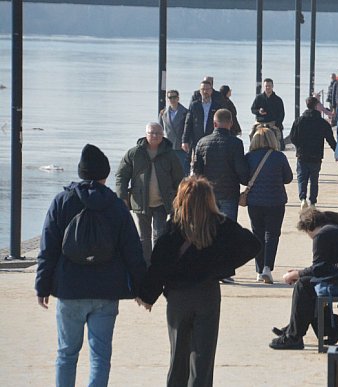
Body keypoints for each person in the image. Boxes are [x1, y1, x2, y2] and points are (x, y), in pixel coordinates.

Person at [35, 144, 147, 387]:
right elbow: (132, 251)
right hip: (106, 292)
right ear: (105, 174)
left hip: (69, 290)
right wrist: (141, 288)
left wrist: (42, 286)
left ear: (81, 172)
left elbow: (48, 248)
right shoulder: (117, 206)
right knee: (100, 356)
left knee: (66, 354)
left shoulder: (61, 202)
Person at [136, 176, 261, 386]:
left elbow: (159, 265)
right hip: (207, 294)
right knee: (203, 360)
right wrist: (220, 268)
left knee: (178, 358)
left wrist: (148, 295)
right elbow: (253, 245)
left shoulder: (173, 228)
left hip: (178, 298)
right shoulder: (220, 224)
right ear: (209, 199)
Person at [270, 209, 338, 350]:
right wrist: (301, 273)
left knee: (304, 286)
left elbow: (319, 269)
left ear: (309, 227)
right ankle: (329, 330)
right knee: (310, 285)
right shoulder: (333, 230)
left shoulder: (322, 235)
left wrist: (296, 274)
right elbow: (323, 269)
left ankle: (293, 337)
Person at [192, 109, 250, 283]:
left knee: (207, 231)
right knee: (226, 233)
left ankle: (207, 268)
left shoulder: (202, 143)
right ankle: (224, 271)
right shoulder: (236, 144)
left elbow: (196, 171)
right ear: (230, 123)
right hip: (229, 193)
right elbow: (241, 169)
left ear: (214, 123)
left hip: (208, 195)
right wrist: (245, 181)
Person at [115, 122, 184, 265]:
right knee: (143, 238)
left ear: (163, 135)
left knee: (159, 236)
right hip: (140, 202)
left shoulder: (169, 154)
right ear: (146, 134)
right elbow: (121, 176)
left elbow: (179, 179)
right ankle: (146, 266)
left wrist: (180, 199)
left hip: (162, 203)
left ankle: (158, 265)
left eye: (158, 133)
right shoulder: (134, 153)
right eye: (152, 133)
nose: (155, 136)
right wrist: (122, 197)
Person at [246, 126, 293, 284]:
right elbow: (288, 178)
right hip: (275, 201)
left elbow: (244, 178)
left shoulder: (249, 157)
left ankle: (259, 270)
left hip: (254, 201)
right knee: (272, 235)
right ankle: (267, 267)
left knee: (257, 234)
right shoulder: (279, 157)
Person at [289, 97, 337, 210]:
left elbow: (292, 137)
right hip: (316, 155)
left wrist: (299, 147)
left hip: (302, 155)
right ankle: (313, 202)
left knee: (302, 178)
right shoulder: (322, 123)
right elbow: (330, 139)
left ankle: (302, 198)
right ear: (316, 106)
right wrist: (337, 151)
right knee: (314, 179)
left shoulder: (299, 121)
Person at [182, 80, 223, 155]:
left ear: (211, 91)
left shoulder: (217, 106)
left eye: (207, 89)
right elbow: (188, 123)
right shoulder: (194, 105)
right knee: (197, 162)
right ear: (200, 91)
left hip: (212, 139)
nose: (205, 91)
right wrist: (184, 141)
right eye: (203, 89)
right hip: (197, 139)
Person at [160, 89, 190, 175]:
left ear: (178, 98)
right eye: (170, 97)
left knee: (183, 171)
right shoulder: (163, 113)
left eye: (174, 97)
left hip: (181, 147)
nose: (172, 99)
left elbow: (188, 130)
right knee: (169, 171)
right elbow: (161, 130)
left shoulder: (186, 112)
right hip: (168, 147)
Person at [251, 78, 285, 148]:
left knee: (278, 139)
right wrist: (259, 112)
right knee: (251, 134)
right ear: (264, 86)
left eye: (269, 86)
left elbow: (282, 114)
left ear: (272, 86)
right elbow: (253, 109)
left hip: (273, 123)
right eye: (266, 86)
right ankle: (253, 149)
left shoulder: (278, 99)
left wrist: (277, 124)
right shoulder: (259, 98)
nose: (267, 88)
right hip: (260, 123)